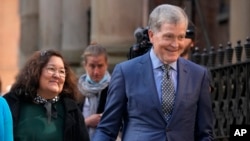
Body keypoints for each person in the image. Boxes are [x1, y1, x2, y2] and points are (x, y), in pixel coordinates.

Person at [93, 4, 213, 141]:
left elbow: (204, 134)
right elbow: (107, 130)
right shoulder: (126, 72)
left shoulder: (198, 75)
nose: (175, 45)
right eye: (168, 37)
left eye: (180, 37)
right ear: (151, 35)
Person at [3, 49, 90, 141]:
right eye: (51, 69)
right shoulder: (11, 103)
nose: (57, 75)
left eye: (62, 71)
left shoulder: (71, 109)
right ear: (36, 71)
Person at [78, 43, 111, 140]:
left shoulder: (115, 88)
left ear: (106, 65)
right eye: (92, 66)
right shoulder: (76, 90)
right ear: (85, 66)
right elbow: (68, 122)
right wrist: (87, 121)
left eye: (100, 66)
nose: (96, 72)